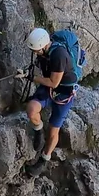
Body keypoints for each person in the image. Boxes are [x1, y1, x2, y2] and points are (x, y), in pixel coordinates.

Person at [25, 26, 78, 166]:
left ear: (42, 46)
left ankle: (44, 158)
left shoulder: (59, 55)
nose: (34, 53)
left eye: (35, 50)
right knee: (31, 109)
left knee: (53, 130)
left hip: (64, 93)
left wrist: (32, 78)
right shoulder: (45, 52)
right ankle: (38, 130)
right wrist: (26, 73)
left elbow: (54, 83)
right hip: (49, 88)